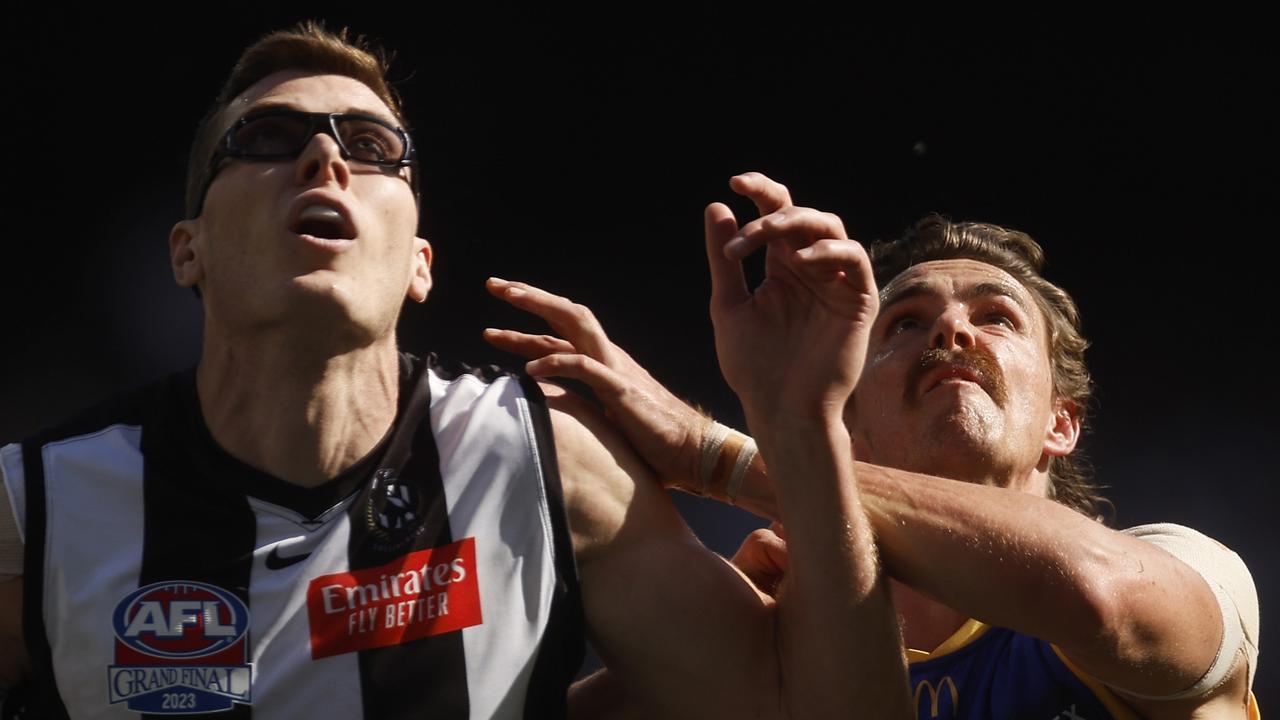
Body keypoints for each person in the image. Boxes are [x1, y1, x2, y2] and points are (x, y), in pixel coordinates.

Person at [0, 25, 912, 719]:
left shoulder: (542, 458)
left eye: (370, 148)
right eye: (270, 139)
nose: (324, 158)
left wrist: (800, 424)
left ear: (420, 263)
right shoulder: (34, 508)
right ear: (185, 252)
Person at [485, 172, 1261, 719]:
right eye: (905, 323)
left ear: (1063, 422)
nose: (950, 329)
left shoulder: (1191, 566)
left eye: (996, 316)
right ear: (849, 423)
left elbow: (1099, 595)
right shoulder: (792, 653)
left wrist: (716, 454)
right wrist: (722, 642)